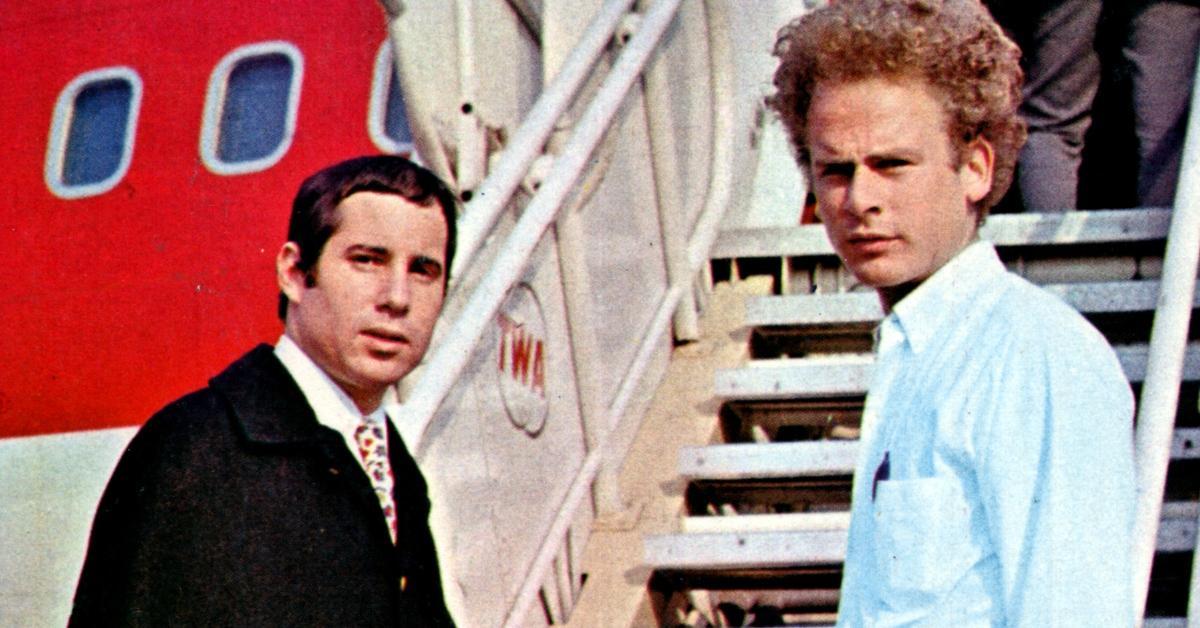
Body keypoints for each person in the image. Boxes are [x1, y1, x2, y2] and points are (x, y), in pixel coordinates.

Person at [771, 1, 1136, 625]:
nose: (860, 200)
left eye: (892, 165)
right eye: (835, 171)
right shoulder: (914, 357)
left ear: (974, 167)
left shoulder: (1033, 357)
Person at [69, 155, 458, 626]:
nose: (397, 298)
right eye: (367, 260)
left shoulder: (398, 473)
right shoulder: (197, 447)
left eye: (423, 270)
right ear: (294, 273)